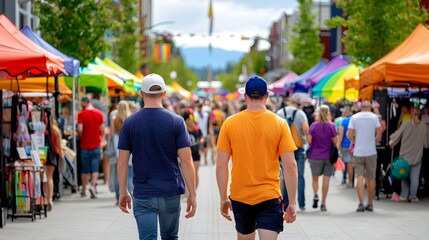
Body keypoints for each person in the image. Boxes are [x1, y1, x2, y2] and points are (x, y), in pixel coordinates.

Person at [216, 76, 298, 240]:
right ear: (266, 96)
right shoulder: (279, 124)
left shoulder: (230, 123)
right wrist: (292, 202)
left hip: (240, 195)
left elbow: (220, 166)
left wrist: (223, 198)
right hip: (269, 195)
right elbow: (290, 166)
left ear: (245, 96)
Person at [117, 73, 196, 240]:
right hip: (170, 191)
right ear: (164, 93)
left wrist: (123, 191)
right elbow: (187, 162)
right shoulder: (176, 122)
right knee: (170, 237)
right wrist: (192, 194)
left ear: (141, 94)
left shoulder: (130, 123)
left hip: (143, 192)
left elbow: (122, 163)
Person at [276, 93, 309, 211]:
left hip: (283, 149)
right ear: (299, 104)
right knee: (299, 176)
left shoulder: (280, 113)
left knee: (285, 175)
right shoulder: (300, 113)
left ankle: (285, 202)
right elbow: (306, 129)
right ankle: (301, 203)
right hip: (298, 148)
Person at [347, 101, 381, 212]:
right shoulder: (374, 117)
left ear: (361, 107)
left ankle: (361, 203)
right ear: (370, 107)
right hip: (371, 152)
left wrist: (355, 141)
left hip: (358, 152)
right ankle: (370, 203)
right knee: (371, 178)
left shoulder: (354, 117)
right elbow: (379, 135)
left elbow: (349, 134)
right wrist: (373, 141)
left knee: (360, 178)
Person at [389, 105, 428, 202]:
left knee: (404, 176)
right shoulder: (423, 127)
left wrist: (392, 139)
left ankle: (404, 195)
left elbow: (397, 135)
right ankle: (413, 197)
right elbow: (426, 144)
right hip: (417, 156)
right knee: (415, 177)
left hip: (405, 156)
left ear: (410, 114)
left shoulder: (405, 124)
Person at [307, 105, 338, 212]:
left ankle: (315, 194)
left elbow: (309, 141)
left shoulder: (314, 126)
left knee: (315, 178)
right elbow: (335, 141)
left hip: (315, 155)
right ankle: (323, 202)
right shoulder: (332, 125)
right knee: (326, 179)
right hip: (328, 156)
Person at [77, 97, 105, 199]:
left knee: (85, 169)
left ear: (85, 103)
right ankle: (93, 186)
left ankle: (84, 190)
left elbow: (80, 129)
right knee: (95, 168)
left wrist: (81, 135)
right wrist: (101, 138)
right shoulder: (99, 113)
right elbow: (102, 129)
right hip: (96, 144)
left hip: (85, 145)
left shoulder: (81, 114)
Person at [110, 100, 132, 205]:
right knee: (130, 170)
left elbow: (111, 134)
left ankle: (118, 196)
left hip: (117, 142)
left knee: (118, 168)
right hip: (128, 143)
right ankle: (128, 192)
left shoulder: (114, 119)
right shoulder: (130, 118)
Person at [44, 113, 63, 211]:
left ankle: (44, 200)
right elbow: (59, 146)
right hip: (53, 155)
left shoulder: (43, 130)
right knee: (49, 177)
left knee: (43, 178)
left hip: (43, 153)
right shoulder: (56, 131)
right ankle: (50, 199)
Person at [337, 106, 354, 186]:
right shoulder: (354, 120)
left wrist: (338, 145)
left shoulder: (344, 121)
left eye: (343, 112)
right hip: (354, 145)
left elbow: (340, 134)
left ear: (346, 113)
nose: (342, 113)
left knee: (346, 163)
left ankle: (345, 179)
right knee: (351, 163)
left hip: (345, 144)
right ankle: (351, 181)